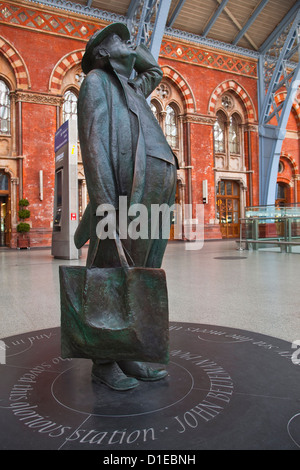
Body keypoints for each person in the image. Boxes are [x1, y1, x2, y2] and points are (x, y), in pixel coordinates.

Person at [75, 23, 177, 391]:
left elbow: (155, 70)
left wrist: (134, 53)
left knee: (142, 274)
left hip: (155, 186)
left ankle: (129, 351)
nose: (131, 43)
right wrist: (104, 206)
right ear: (101, 52)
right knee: (111, 271)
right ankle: (104, 361)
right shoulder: (96, 84)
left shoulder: (133, 86)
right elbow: (93, 146)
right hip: (121, 196)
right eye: (122, 39)